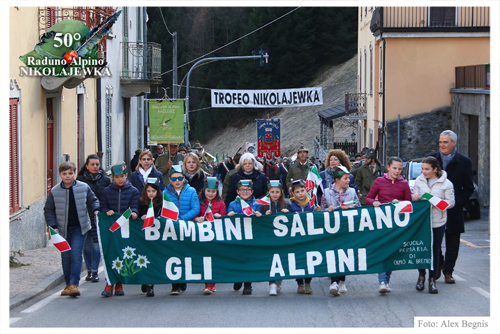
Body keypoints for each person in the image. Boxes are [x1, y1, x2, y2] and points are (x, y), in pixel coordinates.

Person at [44, 162, 100, 297]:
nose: (68, 176)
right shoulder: (55, 191)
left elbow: (93, 200)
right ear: (60, 175)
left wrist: (96, 209)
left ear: (75, 173)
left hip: (80, 227)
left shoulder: (83, 187)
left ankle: (75, 284)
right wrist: (53, 226)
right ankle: (68, 284)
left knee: (76, 254)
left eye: (70, 173)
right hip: (62, 229)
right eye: (64, 174)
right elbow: (48, 210)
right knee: (66, 256)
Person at [427, 130, 474, 284]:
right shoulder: (432, 159)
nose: (442, 145)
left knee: (453, 241)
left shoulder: (464, 162)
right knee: (435, 239)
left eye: (445, 142)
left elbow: (469, 187)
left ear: (453, 143)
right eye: (440, 142)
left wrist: (459, 202)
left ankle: (448, 272)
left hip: (454, 209)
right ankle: (439, 263)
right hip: (434, 208)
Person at [365, 156, 411, 294]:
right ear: (388, 168)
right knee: (383, 250)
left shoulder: (404, 184)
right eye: (395, 168)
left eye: (400, 169)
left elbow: (409, 204)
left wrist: (400, 203)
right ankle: (382, 281)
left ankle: (386, 280)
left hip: (397, 223)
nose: (397, 172)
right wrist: (374, 202)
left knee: (391, 251)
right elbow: (368, 198)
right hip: (382, 221)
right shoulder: (379, 181)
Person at [412, 157, 455, 294]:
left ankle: (432, 279)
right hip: (422, 221)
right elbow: (413, 195)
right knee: (421, 248)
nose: (423, 172)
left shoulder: (446, 183)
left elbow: (451, 203)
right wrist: (416, 197)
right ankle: (421, 276)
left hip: (438, 220)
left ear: (435, 169)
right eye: (422, 169)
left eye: (427, 169)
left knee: (435, 249)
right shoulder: (419, 181)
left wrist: (435, 200)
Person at [100, 163, 140, 297]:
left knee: (123, 255)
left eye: (122, 176)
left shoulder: (133, 191)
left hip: (126, 229)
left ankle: (119, 284)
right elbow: (102, 207)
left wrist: (134, 213)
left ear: (126, 175)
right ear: (113, 178)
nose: (120, 179)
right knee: (110, 255)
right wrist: (107, 211)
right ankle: (109, 283)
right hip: (111, 229)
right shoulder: (106, 191)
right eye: (117, 177)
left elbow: (134, 207)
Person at [320, 166, 361, 296]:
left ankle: (342, 279)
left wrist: (351, 208)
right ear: (337, 180)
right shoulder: (327, 192)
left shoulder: (352, 192)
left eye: (348, 178)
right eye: (345, 178)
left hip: (347, 228)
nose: (348, 180)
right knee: (334, 254)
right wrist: (328, 210)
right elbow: (322, 211)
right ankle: (334, 282)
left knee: (345, 254)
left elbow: (359, 208)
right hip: (332, 229)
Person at [163, 165, 200, 295]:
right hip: (171, 227)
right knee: (173, 255)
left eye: (180, 178)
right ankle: (175, 285)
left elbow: (196, 208)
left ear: (183, 178)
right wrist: (173, 220)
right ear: (170, 180)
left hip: (186, 227)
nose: (177, 181)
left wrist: (182, 219)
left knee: (185, 254)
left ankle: (183, 279)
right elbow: (163, 209)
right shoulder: (165, 193)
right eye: (174, 179)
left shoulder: (191, 191)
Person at [76, 154, 111, 283]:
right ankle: (89, 269)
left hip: (99, 215)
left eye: (97, 164)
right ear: (87, 166)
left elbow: (108, 196)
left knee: (96, 244)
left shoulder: (105, 180)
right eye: (92, 164)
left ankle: (95, 271)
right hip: (84, 215)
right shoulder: (80, 180)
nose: (95, 167)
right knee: (87, 245)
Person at [227, 180, 262, 295]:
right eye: (242, 189)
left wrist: (259, 215)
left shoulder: (257, 204)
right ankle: (238, 277)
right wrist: (229, 215)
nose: (245, 192)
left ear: (252, 191)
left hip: (251, 237)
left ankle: (248, 284)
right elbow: (227, 219)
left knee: (249, 260)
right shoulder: (232, 204)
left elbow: (261, 220)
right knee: (238, 258)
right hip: (238, 237)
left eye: (247, 189)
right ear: (237, 191)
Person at [195, 177, 227, 295]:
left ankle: (213, 282)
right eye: (208, 191)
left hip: (216, 236)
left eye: (213, 191)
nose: (210, 194)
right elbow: (195, 213)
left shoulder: (220, 203)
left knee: (213, 260)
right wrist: (197, 218)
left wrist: (221, 216)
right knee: (205, 259)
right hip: (202, 235)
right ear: (204, 190)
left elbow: (225, 219)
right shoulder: (198, 201)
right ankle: (207, 283)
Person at [288, 180, 320, 294]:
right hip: (296, 238)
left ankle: (308, 282)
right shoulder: (290, 205)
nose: (301, 194)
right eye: (297, 192)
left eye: (302, 191)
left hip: (309, 238)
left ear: (306, 190)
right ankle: (300, 283)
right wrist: (290, 215)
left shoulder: (311, 204)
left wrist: (317, 212)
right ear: (293, 193)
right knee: (298, 260)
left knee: (309, 260)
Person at [259, 180, 290, 296]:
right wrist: (263, 216)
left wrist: (289, 213)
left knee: (281, 260)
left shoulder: (286, 204)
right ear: (268, 192)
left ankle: (279, 281)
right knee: (272, 260)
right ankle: (272, 283)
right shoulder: (263, 205)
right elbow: (256, 218)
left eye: (277, 192)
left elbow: (296, 218)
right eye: (272, 192)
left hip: (282, 239)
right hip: (269, 238)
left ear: (281, 193)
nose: (275, 194)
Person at [138, 178, 163, 297]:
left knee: (153, 259)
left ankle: (150, 285)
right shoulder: (141, 202)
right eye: (149, 191)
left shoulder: (162, 202)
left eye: (153, 191)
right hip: (144, 236)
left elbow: (165, 214)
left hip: (156, 236)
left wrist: (160, 218)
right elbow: (136, 213)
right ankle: (146, 281)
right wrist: (140, 216)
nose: (151, 193)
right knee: (144, 258)